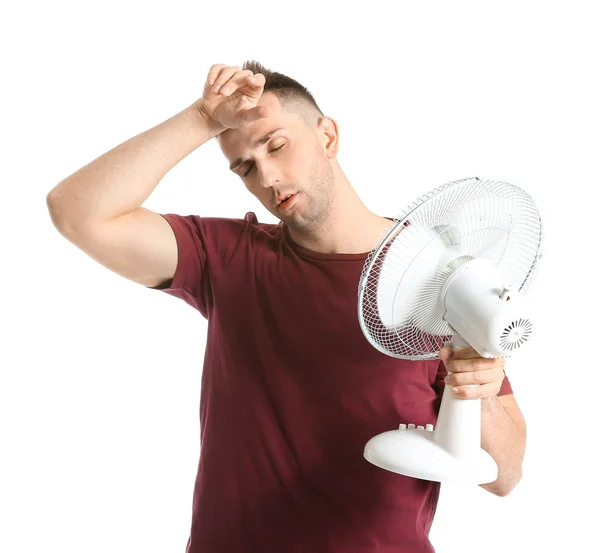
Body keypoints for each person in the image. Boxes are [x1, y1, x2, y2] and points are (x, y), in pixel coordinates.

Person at [46, 61, 526, 553]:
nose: (268, 177)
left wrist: (480, 392)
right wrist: (202, 119)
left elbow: (505, 475)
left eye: (276, 145)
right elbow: (77, 211)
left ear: (328, 136)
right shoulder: (229, 258)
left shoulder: (438, 280)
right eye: (246, 167)